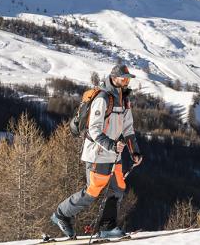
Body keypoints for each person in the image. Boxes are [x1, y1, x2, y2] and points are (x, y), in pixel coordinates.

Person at [51, 63, 143, 240]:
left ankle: (108, 227)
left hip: (114, 153)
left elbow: (128, 129)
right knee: (93, 191)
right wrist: (111, 145)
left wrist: (135, 152)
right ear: (114, 78)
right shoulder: (102, 98)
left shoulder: (124, 100)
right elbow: (94, 130)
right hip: (97, 153)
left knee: (118, 188)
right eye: (124, 78)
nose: (126, 82)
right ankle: (61, 214)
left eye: (128, 79)